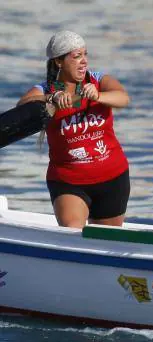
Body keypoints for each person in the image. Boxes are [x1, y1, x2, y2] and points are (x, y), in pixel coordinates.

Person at [17, 30, 131, 228]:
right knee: (73, 234)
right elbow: (22, 105)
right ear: (58, 61)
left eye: (85, 54)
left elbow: (123, 98)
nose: (84, 61)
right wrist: (51, 98)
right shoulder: (46, 89)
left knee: (104, 244)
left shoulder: (98, 80)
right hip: (68, 181)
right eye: (76, 56)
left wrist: (97, 97)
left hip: (113, 178)